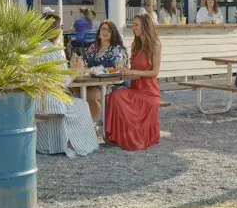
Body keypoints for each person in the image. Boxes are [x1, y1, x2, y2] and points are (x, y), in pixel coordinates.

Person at [34, 15, 99, 157]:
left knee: (74, 102)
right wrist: (76, 70)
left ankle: (53, 143)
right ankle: (74, 144)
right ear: (56, 30)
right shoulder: (54, 51)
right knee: (82, 105)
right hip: (50, 101)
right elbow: (63, 82)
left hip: (34, 100)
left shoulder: (34, 49)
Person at [104, 14, 162, 151]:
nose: (133, 28)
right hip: (135, 89)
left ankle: (132, 138)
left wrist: (134, 72)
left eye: (136, 25)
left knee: (117, 96)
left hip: (149, 93)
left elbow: (155, 72)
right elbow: (133, 69)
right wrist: (124, 71)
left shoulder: (155, 45)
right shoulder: (135, 45)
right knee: (114, 96)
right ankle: (116, 136)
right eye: (133, 25)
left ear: (145, 26)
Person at [73, 20, 127, 123]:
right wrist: (77, 62)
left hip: (113, 84)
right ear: (99, 32)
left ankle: (91, 123)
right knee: (75, 89)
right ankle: (89, 121)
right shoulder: (94, 47)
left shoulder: (117, 49)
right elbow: (82, 59)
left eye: (108, 30)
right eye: (103, 29)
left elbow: (114, 68)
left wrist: (89, 70)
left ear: (113, 33)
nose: (105, 32)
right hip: (94, 83)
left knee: (89, 95)